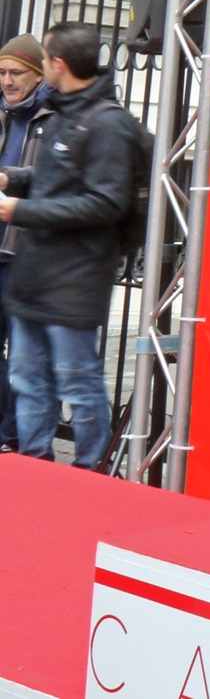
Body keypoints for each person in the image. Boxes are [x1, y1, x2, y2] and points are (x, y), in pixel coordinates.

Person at [0, 23, 140, 469]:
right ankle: (35, 465)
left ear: (57, 65)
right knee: (28, 378)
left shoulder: (110, 125)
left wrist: (17, 210)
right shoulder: (65, 113)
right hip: (35, 277)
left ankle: (88, 472)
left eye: (43, 61)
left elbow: (104, 203)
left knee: (78, 384)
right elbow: (56, 179)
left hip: (75, 281)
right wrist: (13, 178)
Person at [0, 35, 54, 452]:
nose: (6, 81)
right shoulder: (2, 115)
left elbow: (58, 180)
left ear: (38, 73)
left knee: (27, 359)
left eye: (15, 72)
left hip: (28, 252)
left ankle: (26, 443)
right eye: (1, 73)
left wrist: (12, 182)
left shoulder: (55, 117)